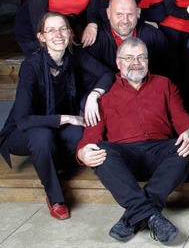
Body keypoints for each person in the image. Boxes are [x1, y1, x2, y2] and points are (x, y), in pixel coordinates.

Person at [76, 37, 189, 244]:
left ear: (148, 61)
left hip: (159, 151)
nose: (136, 62)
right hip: (125, 157)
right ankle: (152, 216)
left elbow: (181, 118)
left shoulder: (164, 84)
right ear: (118, 62)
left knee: (186, 148)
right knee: (101, 151)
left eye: (141, 57)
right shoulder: (103, 94)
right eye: (129, 57)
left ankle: (133, 216)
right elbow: (91, 134)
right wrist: (82, 152)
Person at [0, 13, 113, 219]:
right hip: (21, 131)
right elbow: (23, 120)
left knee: (82, 132)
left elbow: (107, 74)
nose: (58, 34)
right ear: (41, 37)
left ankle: (49, 160)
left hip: (53, 128)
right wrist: (66, 118)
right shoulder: (30, 66)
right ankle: (54, 197)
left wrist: (94, 96)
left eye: (62, 29)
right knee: (42, 136)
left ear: (70, 33)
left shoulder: (74, 55)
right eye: (50, 30)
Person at [86, 0, 169, 88]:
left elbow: (166, 76)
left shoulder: (154, 36)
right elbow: (89, 81)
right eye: (119, 14)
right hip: (109, 94)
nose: (125, 20)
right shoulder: (94, 39)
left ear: (137, 13)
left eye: (130, 14)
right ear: (108, 13)